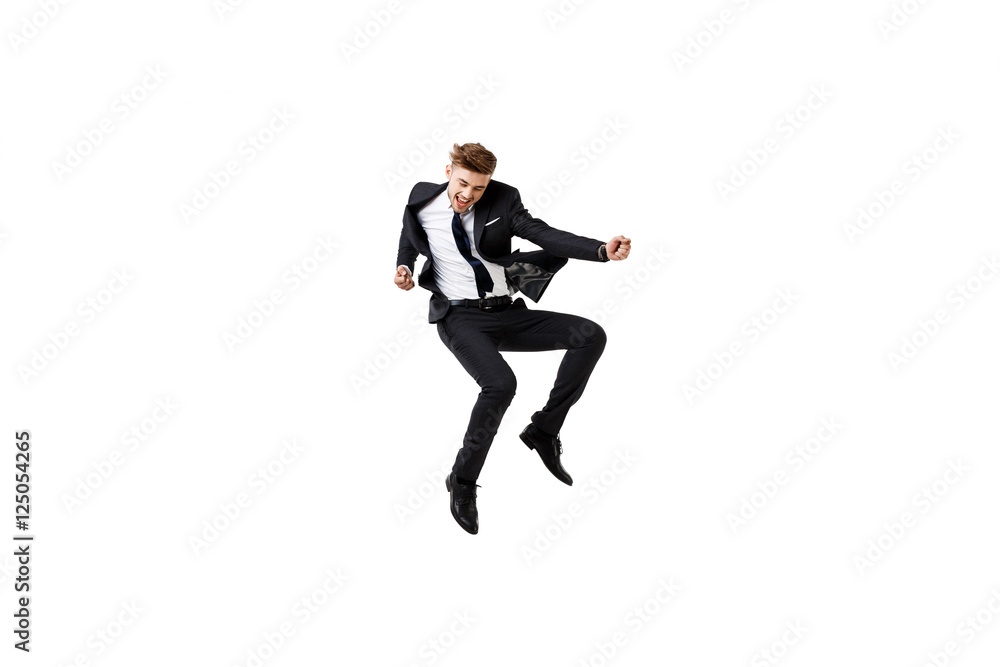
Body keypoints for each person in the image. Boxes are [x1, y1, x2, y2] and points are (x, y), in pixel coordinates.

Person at [393, 142, 631, 534]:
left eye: (479, 188)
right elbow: (408, 235)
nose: (468, 195)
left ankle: (543, 430)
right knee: (500, 384)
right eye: (462, 183)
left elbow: (543, 234)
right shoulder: (421, 199)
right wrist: (403, 266)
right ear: (448, 170)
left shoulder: (504, 200)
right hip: (459, 318)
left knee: (590, 335)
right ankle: (463, 481)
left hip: (505, 312)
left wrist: (600, 251)